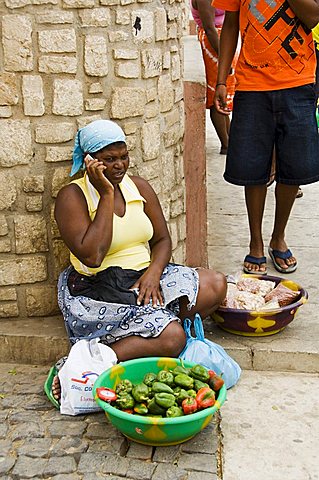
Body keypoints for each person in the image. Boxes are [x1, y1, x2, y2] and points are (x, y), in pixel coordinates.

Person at [52, 119, 227, 399]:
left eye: (123, 157)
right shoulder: (72, 196)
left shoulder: (139, 188)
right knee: (173, 338)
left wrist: (153, 274)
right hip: (98, 286)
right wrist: (107, 194)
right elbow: (93, 256)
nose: (119, 165)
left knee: (215, 284)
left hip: (143, 277)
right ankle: (90, 361)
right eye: (109, 159)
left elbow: (162, 240)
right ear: (90, 162)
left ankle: (148, 324)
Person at [213, 0, 319, 275]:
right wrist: (222, 79)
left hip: (299, 82)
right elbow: (230, 24)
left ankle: (278, 236)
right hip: (251, 84)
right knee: (253, 168)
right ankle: (256, 242)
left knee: (293, 169)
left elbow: (313, 17)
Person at [190, 0, 237, 154]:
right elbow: (209, 28)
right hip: (214, 43)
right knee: (216, 96)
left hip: (221, 41)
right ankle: (226, 143)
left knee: (225, 96)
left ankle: (230, 140)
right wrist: (224, 56)